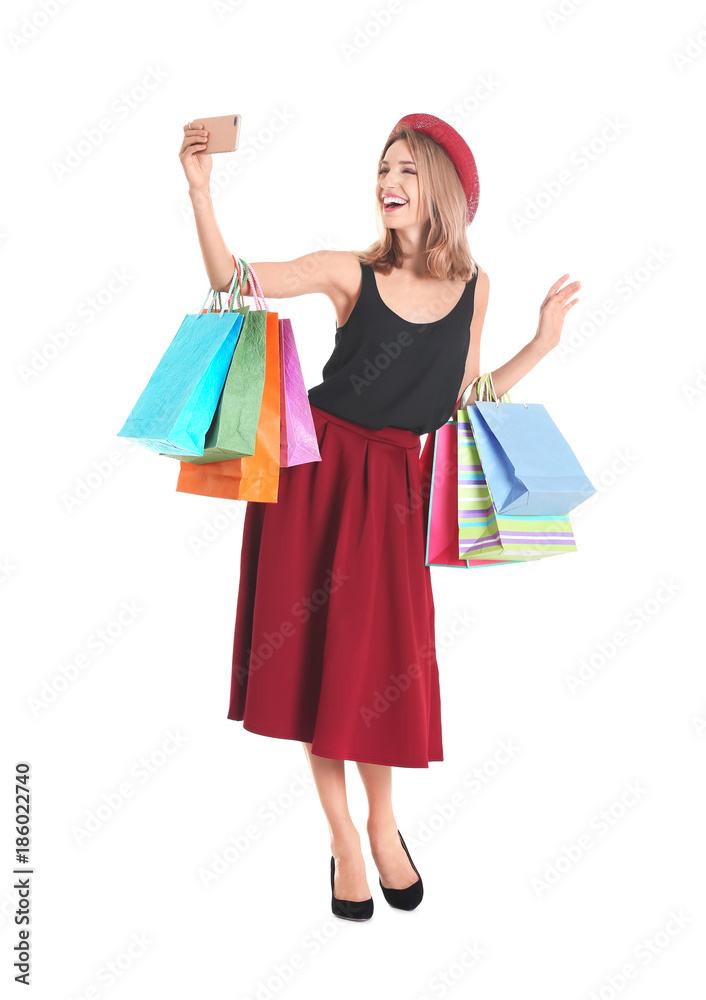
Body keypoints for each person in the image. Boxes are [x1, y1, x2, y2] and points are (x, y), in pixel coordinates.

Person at [178, 112, 580, 921]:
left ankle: (385, 823)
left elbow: (461, 401)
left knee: (372, 670)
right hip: (317, 476)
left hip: (397, 488)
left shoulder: (476, 287)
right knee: (315, 670)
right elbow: (237, 284)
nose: (388, 183)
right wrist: (200, 195)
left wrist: (540, 346)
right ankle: (346, 840)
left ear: (444, 193)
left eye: (406, 170)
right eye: (382, 170)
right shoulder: (348, 271)